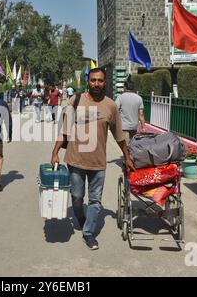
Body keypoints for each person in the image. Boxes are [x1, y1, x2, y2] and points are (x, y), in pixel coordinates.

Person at [51, 67, 135, 251]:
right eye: (93, 80)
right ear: (88, 81)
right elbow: (65, 130)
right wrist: (55, 152)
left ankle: (88, 233)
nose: (96, 84)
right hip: (75, 160)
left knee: (95, 201)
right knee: (77, 197)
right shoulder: (76, 100)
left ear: (105, 83)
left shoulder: (111, 106)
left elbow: (119, 136)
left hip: (98, 163)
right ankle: (81, 217)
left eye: (100, 81)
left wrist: (127, 156)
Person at [115, 78, 146, 145]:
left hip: (124, 126)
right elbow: (141, 114)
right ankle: (131, 155)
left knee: (125, 146)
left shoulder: (120, 97)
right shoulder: (139, 98)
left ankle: (127, 155)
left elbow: (115, 110)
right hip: (134, 126)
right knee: (132, 144)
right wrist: (143, 127)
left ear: (125, 87)